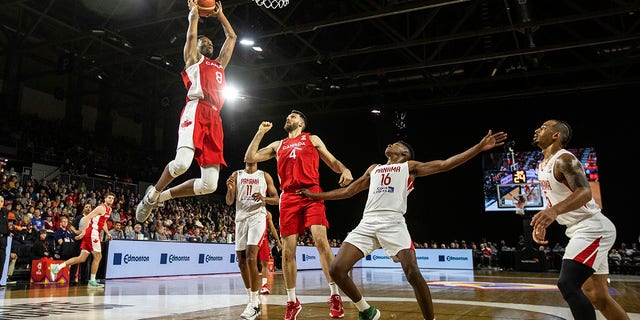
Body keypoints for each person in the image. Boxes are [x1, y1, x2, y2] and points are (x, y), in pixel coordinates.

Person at [297, 130, 508, 320]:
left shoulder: (409, 167)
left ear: (404, 153)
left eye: (396, 143)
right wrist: (315, 196)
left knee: (412, 272)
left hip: (393, 222)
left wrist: (479, 147)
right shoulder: (374, 169)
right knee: (336, 269)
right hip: (368, 221)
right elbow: (348, 191)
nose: (391, 144)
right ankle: (366, 310)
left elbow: (445, 164)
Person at [244, 111, 353, 320]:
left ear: (301, 122)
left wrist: (344, 170)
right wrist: (259, 133)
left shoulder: (312, 139)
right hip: (288, 197)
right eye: (287, 117)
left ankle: (335, 295)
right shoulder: (278, 144)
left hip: (311, 193)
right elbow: (250, 157)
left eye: (293, 117)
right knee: (287, 252)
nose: (288, 118)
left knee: (321, 242)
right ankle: (292, 301)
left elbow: (332, 160)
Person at [135, 0, 237, 223]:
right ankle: (151, 196)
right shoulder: (193, 60)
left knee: (210, 185)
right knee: (181, 164)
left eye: (210, 41)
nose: (208, 43)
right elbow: (191, 37)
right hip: (196, 110)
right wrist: (194, 15)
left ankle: (163, 196)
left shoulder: (219, 64)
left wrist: (220, 16)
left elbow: (232, 38)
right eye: (204, 41)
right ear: (197, 47)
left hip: (215, 119)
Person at [529, 120, 629, 320]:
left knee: (567, 284)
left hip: (592, 228)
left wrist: (554, 211)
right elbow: (556, 199)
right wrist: (544, 220)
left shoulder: (565, 159)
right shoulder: (542, 166)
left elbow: (585, 192)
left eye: (543, 127)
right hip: (580, 229)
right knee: (598, 296)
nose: (536, 130)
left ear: (556, 135)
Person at [225, 162, 279, 320]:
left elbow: (277, 199)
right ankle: (251, 300)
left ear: (256, 158)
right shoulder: (236, 174)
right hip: (240, 219)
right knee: (241, 261)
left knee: (250, 257)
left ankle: (255, 303)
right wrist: (230, 189)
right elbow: (229, 201)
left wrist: (264, 198)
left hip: (257, 217)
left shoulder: (264, 175)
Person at [51, 193, 115, 288]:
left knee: (82, 258)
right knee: (98, 256)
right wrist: (83, 232)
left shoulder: (109, 209)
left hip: (95, 233)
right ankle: (92, 281)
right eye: (109, 198)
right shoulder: (101, 208)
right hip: (92, 232)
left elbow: (104, 222)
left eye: (112, 198)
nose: (111, 199)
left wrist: (108, 232)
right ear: (105, 199)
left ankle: (58, 267)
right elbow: (87, 218)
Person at [259, 210, 282, 294]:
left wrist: (278, 242)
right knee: (251, 263)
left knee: (265, 263)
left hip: (263, 239)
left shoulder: (267, 214)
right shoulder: (251, 210)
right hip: (252, 239)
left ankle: (264, 285)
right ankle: (251, 288)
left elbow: (272, 228)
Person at [0, 196, 9, 285]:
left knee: (2, 259)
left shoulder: (4, 212)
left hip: (3, 239)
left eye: (2, 201)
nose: (1, 203)